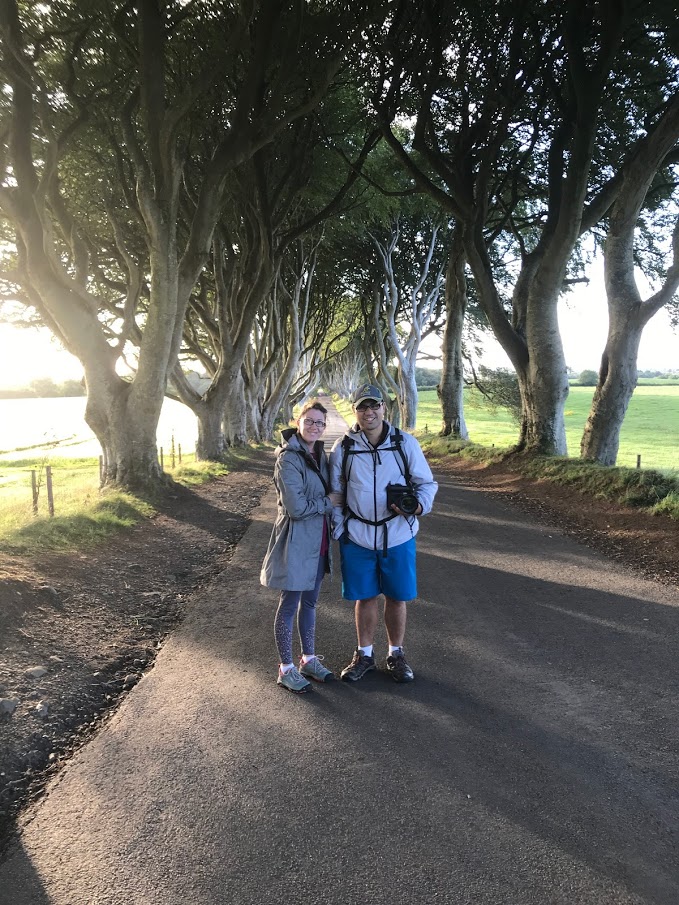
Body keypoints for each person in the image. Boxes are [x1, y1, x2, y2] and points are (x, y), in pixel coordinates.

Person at [330, 383, 438, 683]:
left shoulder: (405, 443)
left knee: (397, 596)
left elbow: (426, 484)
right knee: (364, 597)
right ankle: (364, 655)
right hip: (358, 534)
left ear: (383, 408)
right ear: (355, 411)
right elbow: (336, 491)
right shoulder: (345, 446)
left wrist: (418, 508)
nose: (369, 412)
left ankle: (395, 654)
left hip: (398, 534)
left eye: (374, 405)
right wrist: (341, 529)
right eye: (363, 407)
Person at [261, 400, 344, 694]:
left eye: (320, 423)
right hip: (296, 540)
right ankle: (285, 668)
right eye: (309, 421)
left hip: (318, 541)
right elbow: (295, 508)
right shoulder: (288, 459)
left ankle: (308, 659)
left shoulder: (318, 455)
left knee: (310, 603)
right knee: (289, 605)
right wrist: (327, 503)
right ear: (298, 422)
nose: (314, 427)